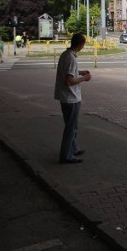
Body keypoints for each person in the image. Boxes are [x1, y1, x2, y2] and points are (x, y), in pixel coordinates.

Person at [54, 33, 92, 164]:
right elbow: (69, 80)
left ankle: (73, 148)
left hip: (65, 97)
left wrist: (80, 72)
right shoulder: (71, 59)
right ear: (81, 45)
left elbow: (69, 72)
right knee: (71, 128)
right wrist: (84, 78)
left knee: (71, 125)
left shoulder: (66, 54)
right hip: (71, 98)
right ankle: (66, 155)